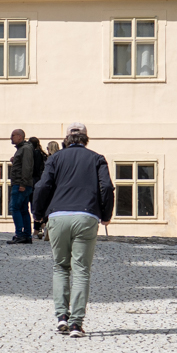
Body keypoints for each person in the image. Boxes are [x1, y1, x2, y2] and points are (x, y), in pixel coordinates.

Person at [32, 122, 114, 337]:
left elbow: (42, 186)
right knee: (81, 270)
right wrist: (106, 215)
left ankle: (62, 317)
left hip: (58, 215)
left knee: (60, 267)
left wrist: (38, 214)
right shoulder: (97, 158)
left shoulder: (55, 158)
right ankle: (76, 324)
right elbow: (106, 187)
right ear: (86, 138)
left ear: (66, 138)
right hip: (86, 215)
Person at [7, 130, 45, 244]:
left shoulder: (25, 148)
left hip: (21, 184)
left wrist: (23, 184)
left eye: (13, 135)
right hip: (22, 183)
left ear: (20, 136)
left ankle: (20, 234)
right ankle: (26, 234)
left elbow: (27, 167)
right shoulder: (23, 148)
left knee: (15, 208)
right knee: (23, 209)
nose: (11, 138)